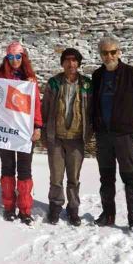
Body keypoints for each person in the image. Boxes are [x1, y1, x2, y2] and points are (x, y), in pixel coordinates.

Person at [90, 37, 133, 230]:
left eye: (113, 52)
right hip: (104, 136)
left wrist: (128, 119)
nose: (109, 56)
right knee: (106, 177)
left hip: (124, 136)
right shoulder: (97, 76)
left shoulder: (132, 74)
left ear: (119, 52)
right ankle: (108, 215)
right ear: (101, 55)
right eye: (105, 53)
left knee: (129, 177)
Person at [41, 48, 92, 226]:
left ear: (78, 63)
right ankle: (55, 207)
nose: (71, 64)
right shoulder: (54, 83)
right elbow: (45, 108)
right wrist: (44, 133)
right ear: (62, 63)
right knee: (56, 176)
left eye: (74, 60)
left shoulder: (86, 84)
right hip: (56, 137)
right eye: (67, 60)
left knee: (73, 178)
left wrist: (90, 131)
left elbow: (92, 110)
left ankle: (73, 209)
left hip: (77, 139)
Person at [0, 41, 42, 225]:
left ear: (23, 57)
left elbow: (36, 105)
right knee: (7, 168)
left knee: (24, 170)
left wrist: (37, 126)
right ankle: (8, 206)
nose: (15, 60)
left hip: (24, 131)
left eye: (18, 56)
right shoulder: (0, 76)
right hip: (6, 130)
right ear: (7, 58)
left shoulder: (30, 79)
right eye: (11, 57)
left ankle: (24, 209)